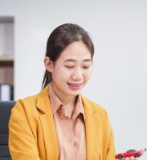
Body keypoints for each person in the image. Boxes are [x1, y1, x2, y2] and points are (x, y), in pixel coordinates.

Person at [9, 23, 119, 160]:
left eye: (86, 66)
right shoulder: (24, 112)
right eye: (69, 66)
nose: (78, 75)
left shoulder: (100, 115)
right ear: (49, 64)